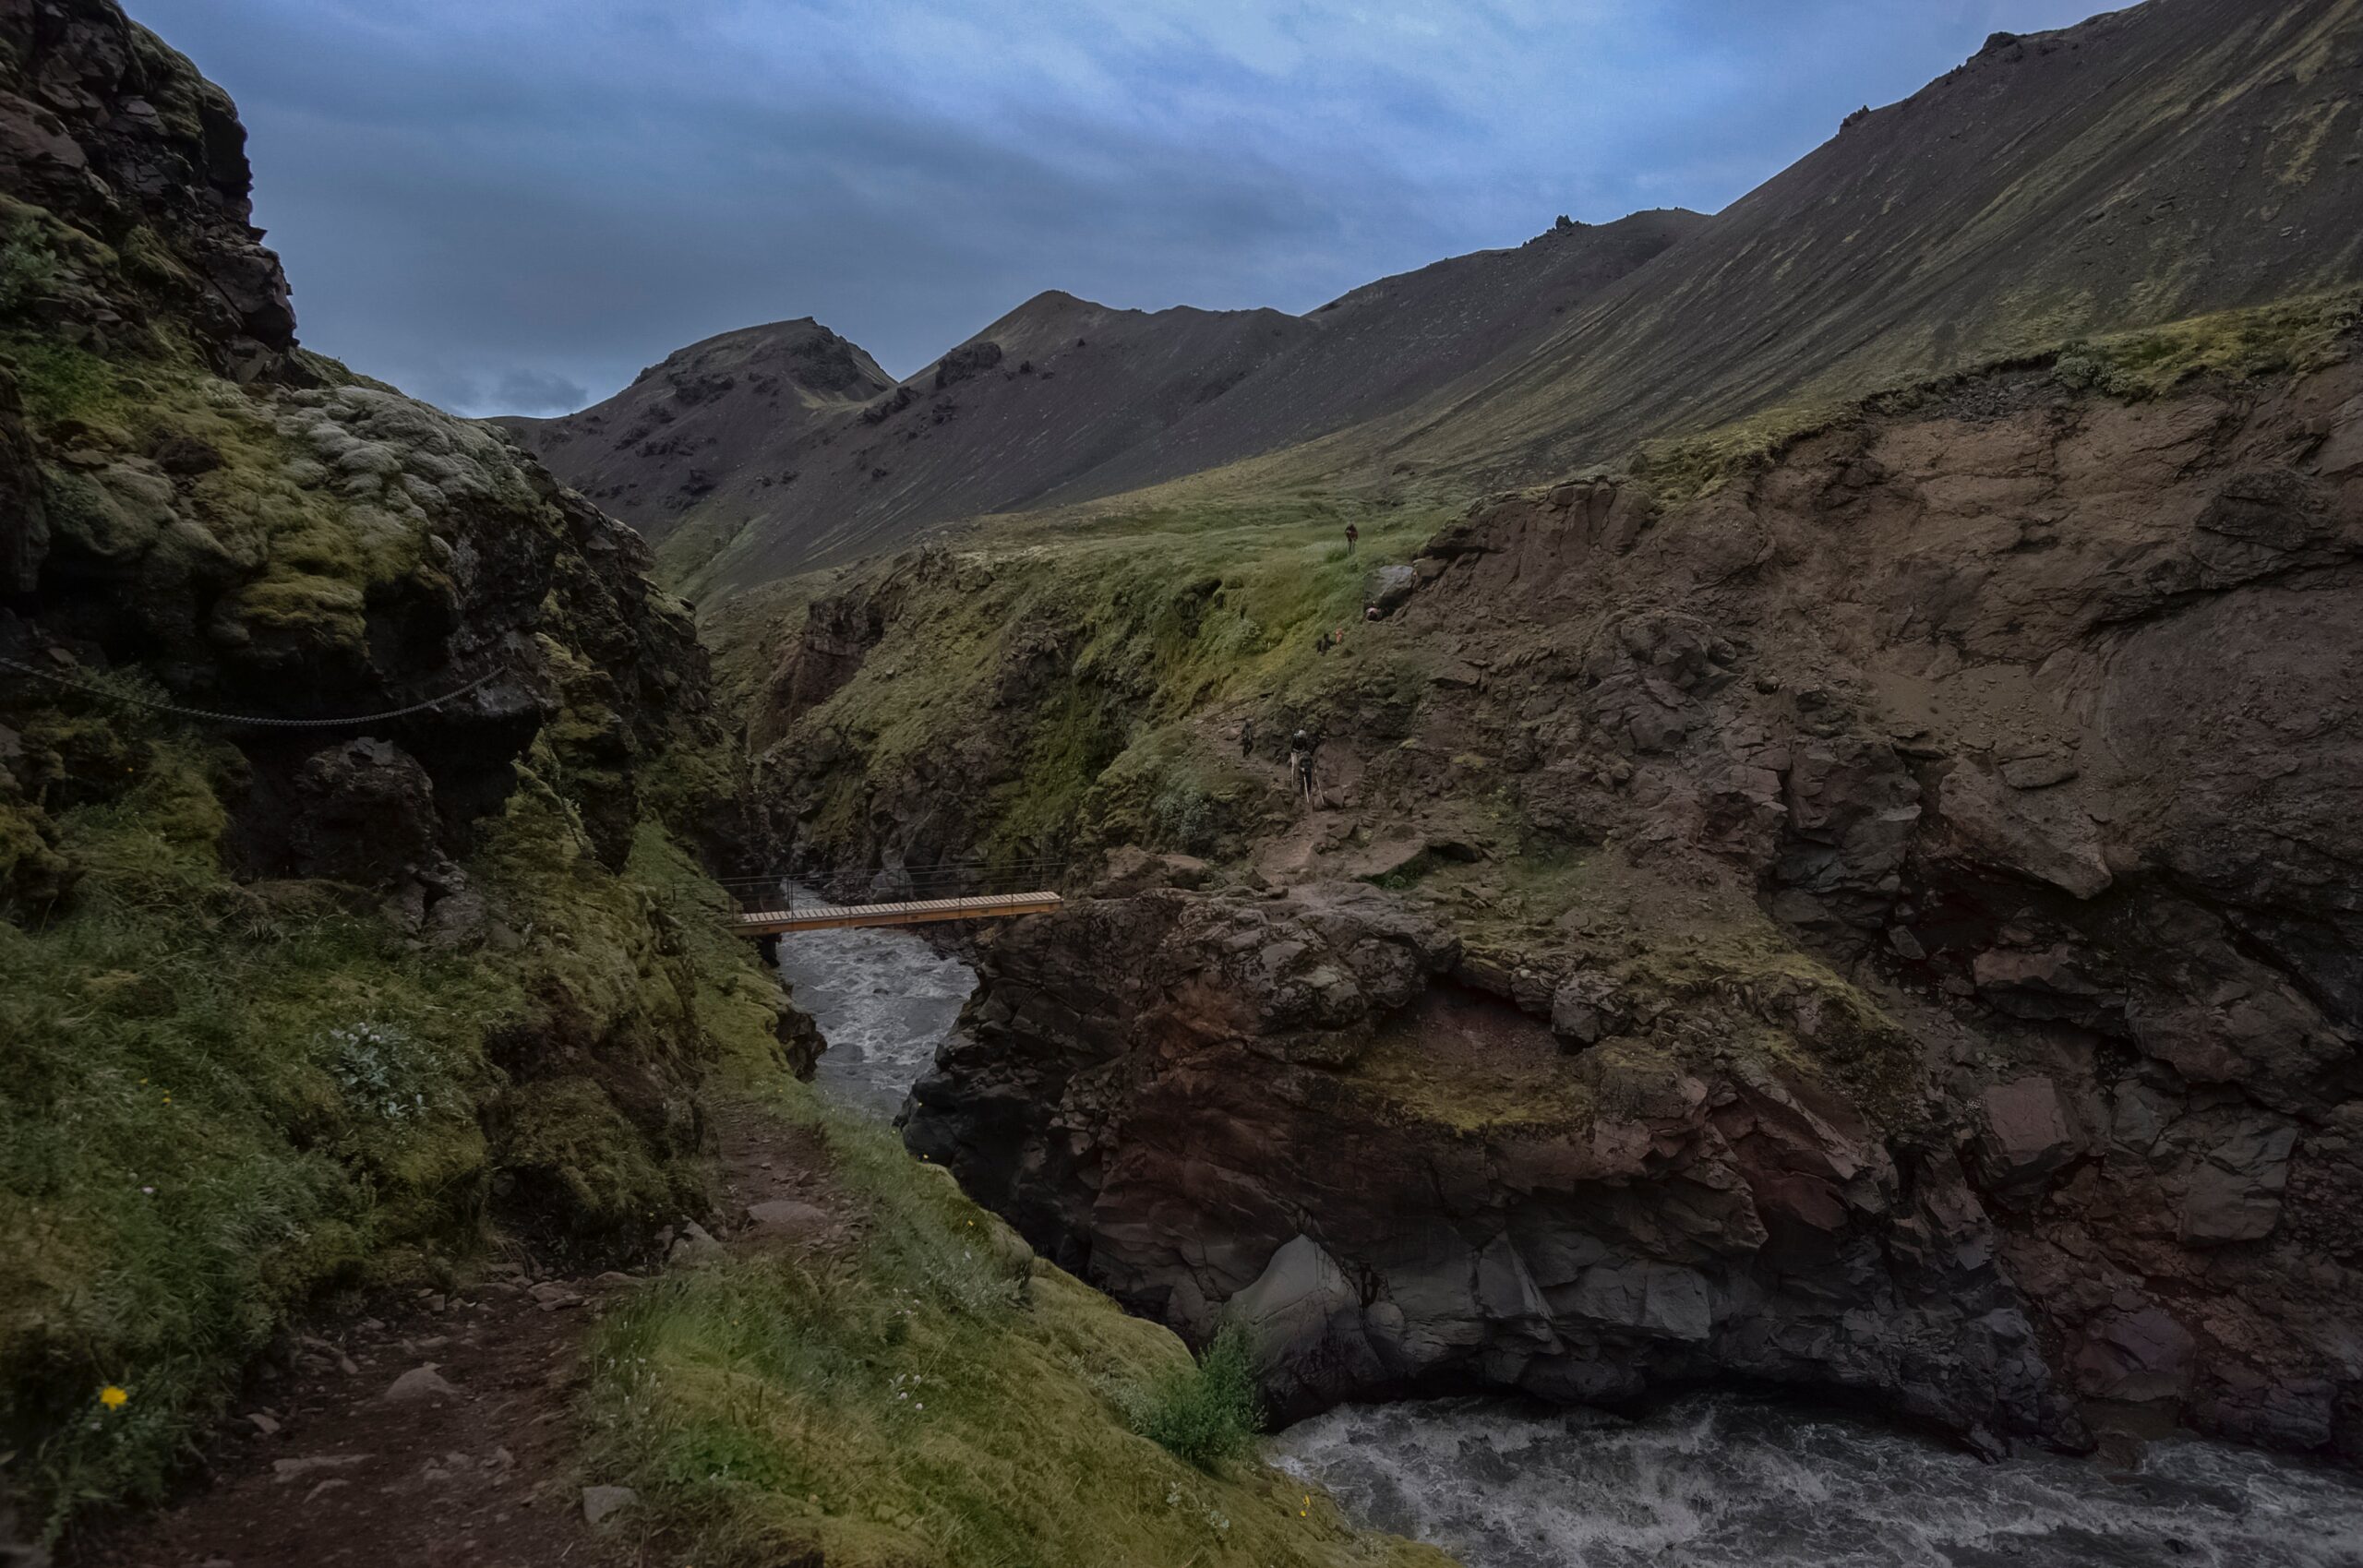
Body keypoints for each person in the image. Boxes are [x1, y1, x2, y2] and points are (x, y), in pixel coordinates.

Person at [1289, 728, 1320, 803]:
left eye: (1302, 737)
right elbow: (1291, 748)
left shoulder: (1305, 741)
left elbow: (1306, 748)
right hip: (1295, 751)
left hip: (1302, 752)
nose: (1301, 738)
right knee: (1295, 764)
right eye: (1301, 737)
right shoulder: (1295, 738)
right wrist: (1296, 752)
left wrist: (1303, 752)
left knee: (1308, 779)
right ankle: (1293, 777)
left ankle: (1308, 790)